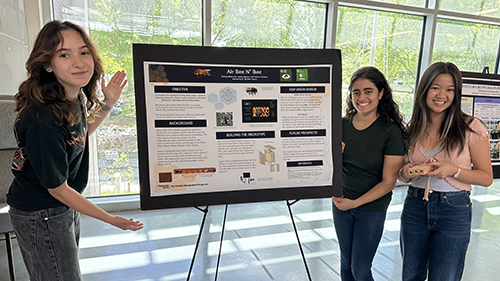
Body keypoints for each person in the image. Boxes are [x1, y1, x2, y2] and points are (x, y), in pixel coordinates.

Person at [6, 20, 143, 281]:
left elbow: (80, 135)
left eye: (84, 52)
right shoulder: (41, 118)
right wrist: (111, 219)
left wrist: (108, 103)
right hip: (41, 212)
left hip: (60, 206)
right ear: (47, 64)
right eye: (64, 55)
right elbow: (57, 188)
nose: (79, 62)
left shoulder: (70, 96)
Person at [398, 62, 493, 281]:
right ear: (424, 89)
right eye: (435, 87)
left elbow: (486, 177)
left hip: (454, 209)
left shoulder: (470, 126)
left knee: (445, 277)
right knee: (411, 275)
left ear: (456, 93)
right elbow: (401, 174)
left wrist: (453, 171)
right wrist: (406, 172)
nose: (442, 95)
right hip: (414, 206)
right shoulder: (413, 127)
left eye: (450, 89)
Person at [333, 66, 406, 280]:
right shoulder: (341, 125)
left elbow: (389, 181)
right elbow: (329, 167)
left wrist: (354, 204)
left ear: (381, 93)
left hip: (371, 208)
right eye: (356, 92)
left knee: (360, 269)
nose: (361, 97)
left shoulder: (390, 132)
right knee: (346, 264)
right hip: (341, 203)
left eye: (368, 91)